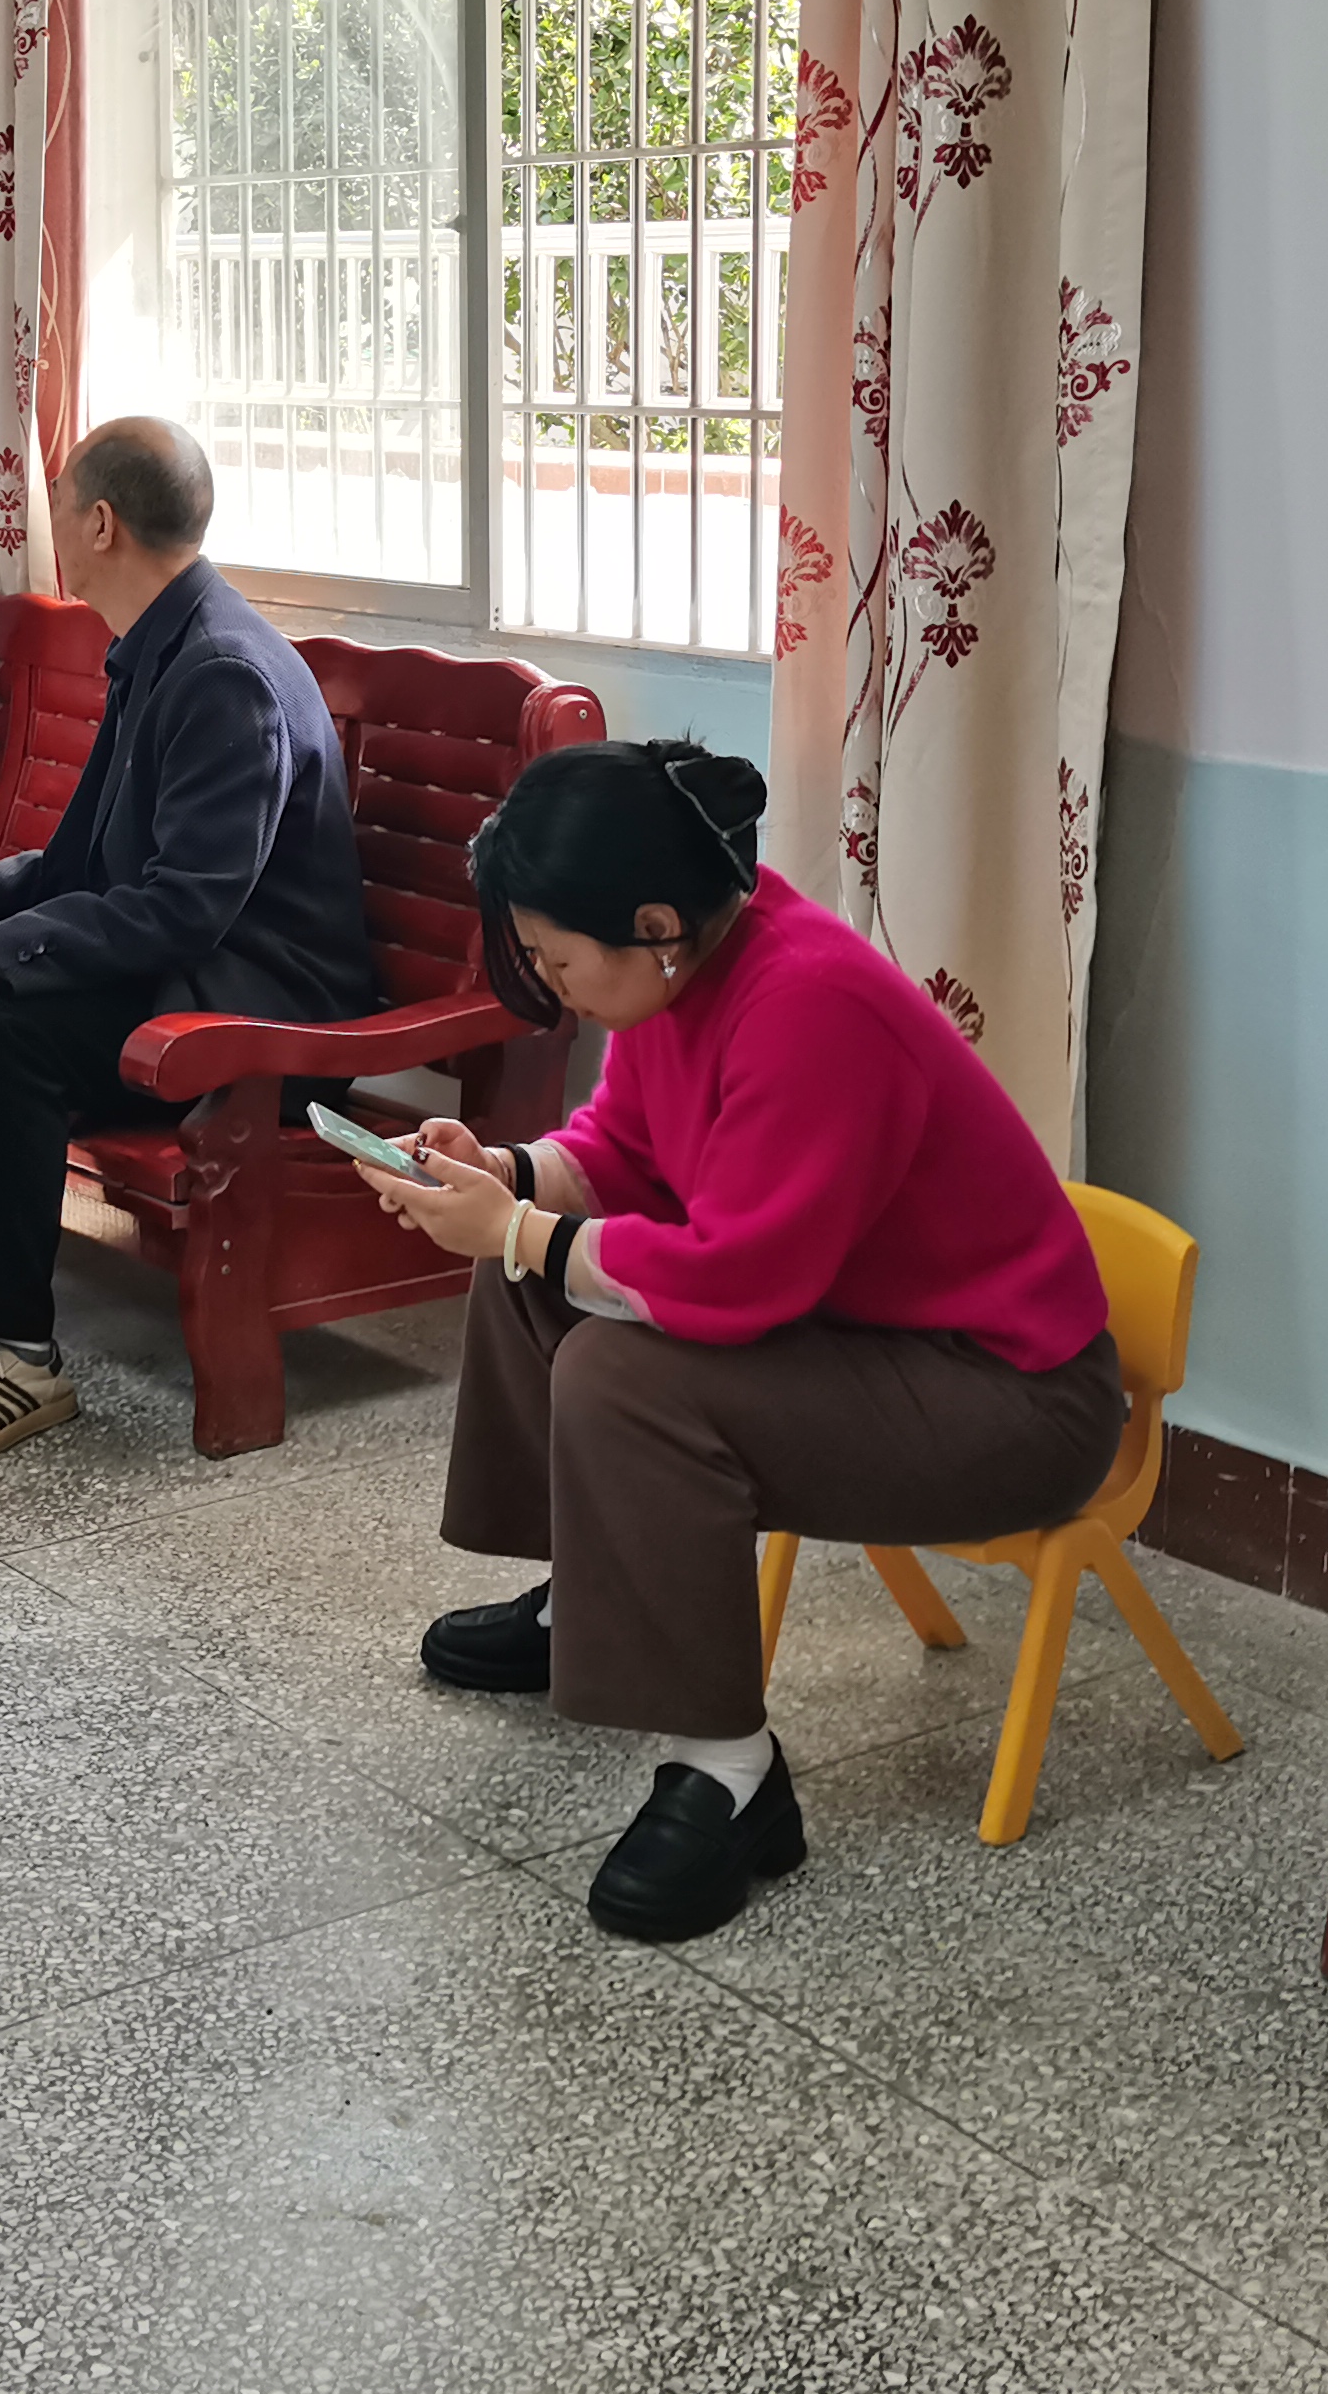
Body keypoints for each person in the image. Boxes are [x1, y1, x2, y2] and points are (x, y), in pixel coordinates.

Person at [369, 740, 1121, 1947]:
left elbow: (738, 1281)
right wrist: (506, 1177)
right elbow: (622, 1148)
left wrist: (516, 1229)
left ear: (653, 927)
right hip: (868, 1337)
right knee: (524, 1279)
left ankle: (729, 1772)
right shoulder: (689, 962)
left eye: (558, 960)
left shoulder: (809, 1006)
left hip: (1011, 1400)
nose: (553, 986)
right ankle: (589, 1600)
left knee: (618, 1370)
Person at [0, 416, 377, 1467]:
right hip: (174, 969)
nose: (49, 522)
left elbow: (186, 906)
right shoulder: (158, 647)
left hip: (251, 1010)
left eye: (57, 503)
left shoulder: (224, 672)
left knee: (5, 1021)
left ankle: (17, 1353)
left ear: (100, 523)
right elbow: (82, 857)